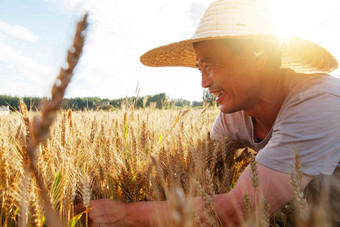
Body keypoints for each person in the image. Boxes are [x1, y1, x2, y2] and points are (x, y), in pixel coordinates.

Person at [76, 0, 340, 226]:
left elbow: (241, 210)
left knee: (322, 189)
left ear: (259, 54)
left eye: (211, 64)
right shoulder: (233, 115)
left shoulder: (319, 102)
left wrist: (126, 214)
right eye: (199, 68)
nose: (203, 82)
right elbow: (200, 168)